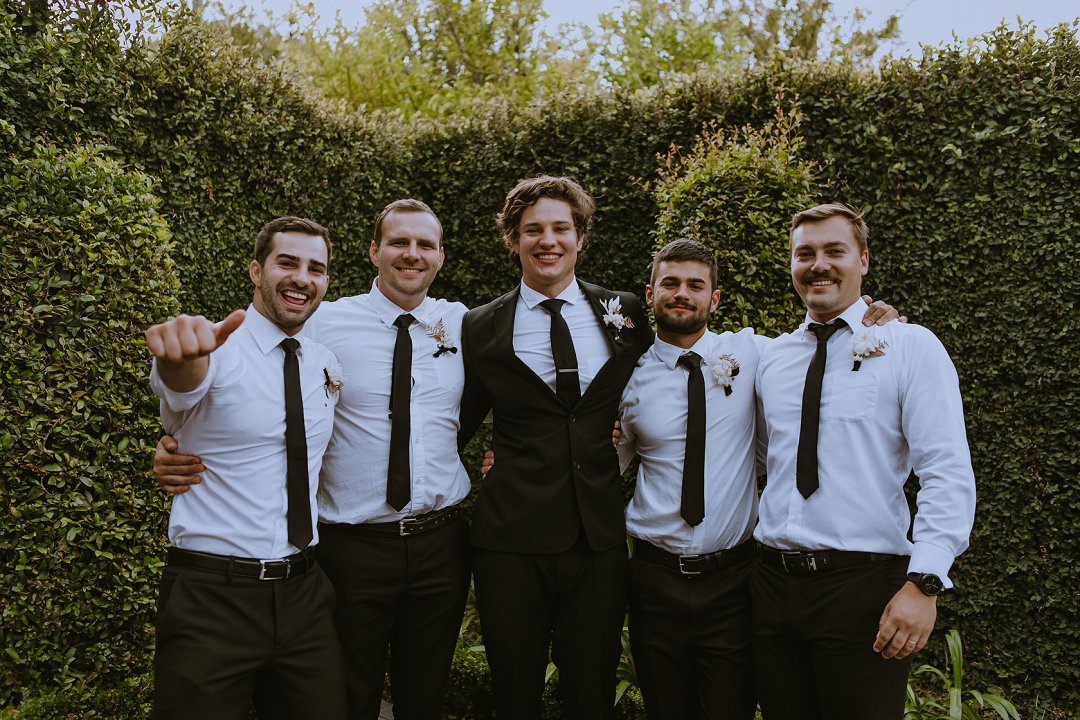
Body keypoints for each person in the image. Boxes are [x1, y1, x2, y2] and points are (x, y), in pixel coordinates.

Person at [154, 200, 471, 720]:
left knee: (405, 696)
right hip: (311, 558)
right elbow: (191, 387)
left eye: (425, 245)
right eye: (398, 242)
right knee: (349, 694)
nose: (411, 254)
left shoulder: (457, 325)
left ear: (440, 256)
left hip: (388, 559)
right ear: (374, 251)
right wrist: (176, 379)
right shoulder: (298, 331)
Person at [616, 239, 901, 720]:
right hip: (653, 577)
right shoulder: (626, 377)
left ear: (714, 299)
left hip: (734, 580)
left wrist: (877, 319)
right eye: (670, 283)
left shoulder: (757, 353)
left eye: (695, 285)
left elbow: (824, 347)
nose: (682, 293)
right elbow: (603, 463)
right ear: (650, 294)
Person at [751, 203, 976, 720]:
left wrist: (925, 582)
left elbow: (945, 470)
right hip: (770, 586)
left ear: (864, 261)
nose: (819, 264)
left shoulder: (909, 346)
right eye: (804, 253)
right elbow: (755, 455)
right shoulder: (772, 358)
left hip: (861, 588)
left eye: (835, 251)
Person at [457, 176, 654, 720]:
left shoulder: (625, 312)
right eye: (533, 230)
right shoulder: (480, 326)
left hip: (596, 538)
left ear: (580, 237)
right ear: (514, 240)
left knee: (591, 692)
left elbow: (666, 378)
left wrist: (867, 318)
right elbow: (454, 421)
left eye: (561, 228)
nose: (548, 240)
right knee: (514, 692)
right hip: (509, 541)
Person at [146, 216, 346, 719]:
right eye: (287, 263)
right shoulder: (217, 351)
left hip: (305, 594)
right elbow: (182, 382)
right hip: (213, 596)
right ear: (256, 271)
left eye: (316, 268)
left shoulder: (325, 362)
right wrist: (179, 355)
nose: (302, 278)